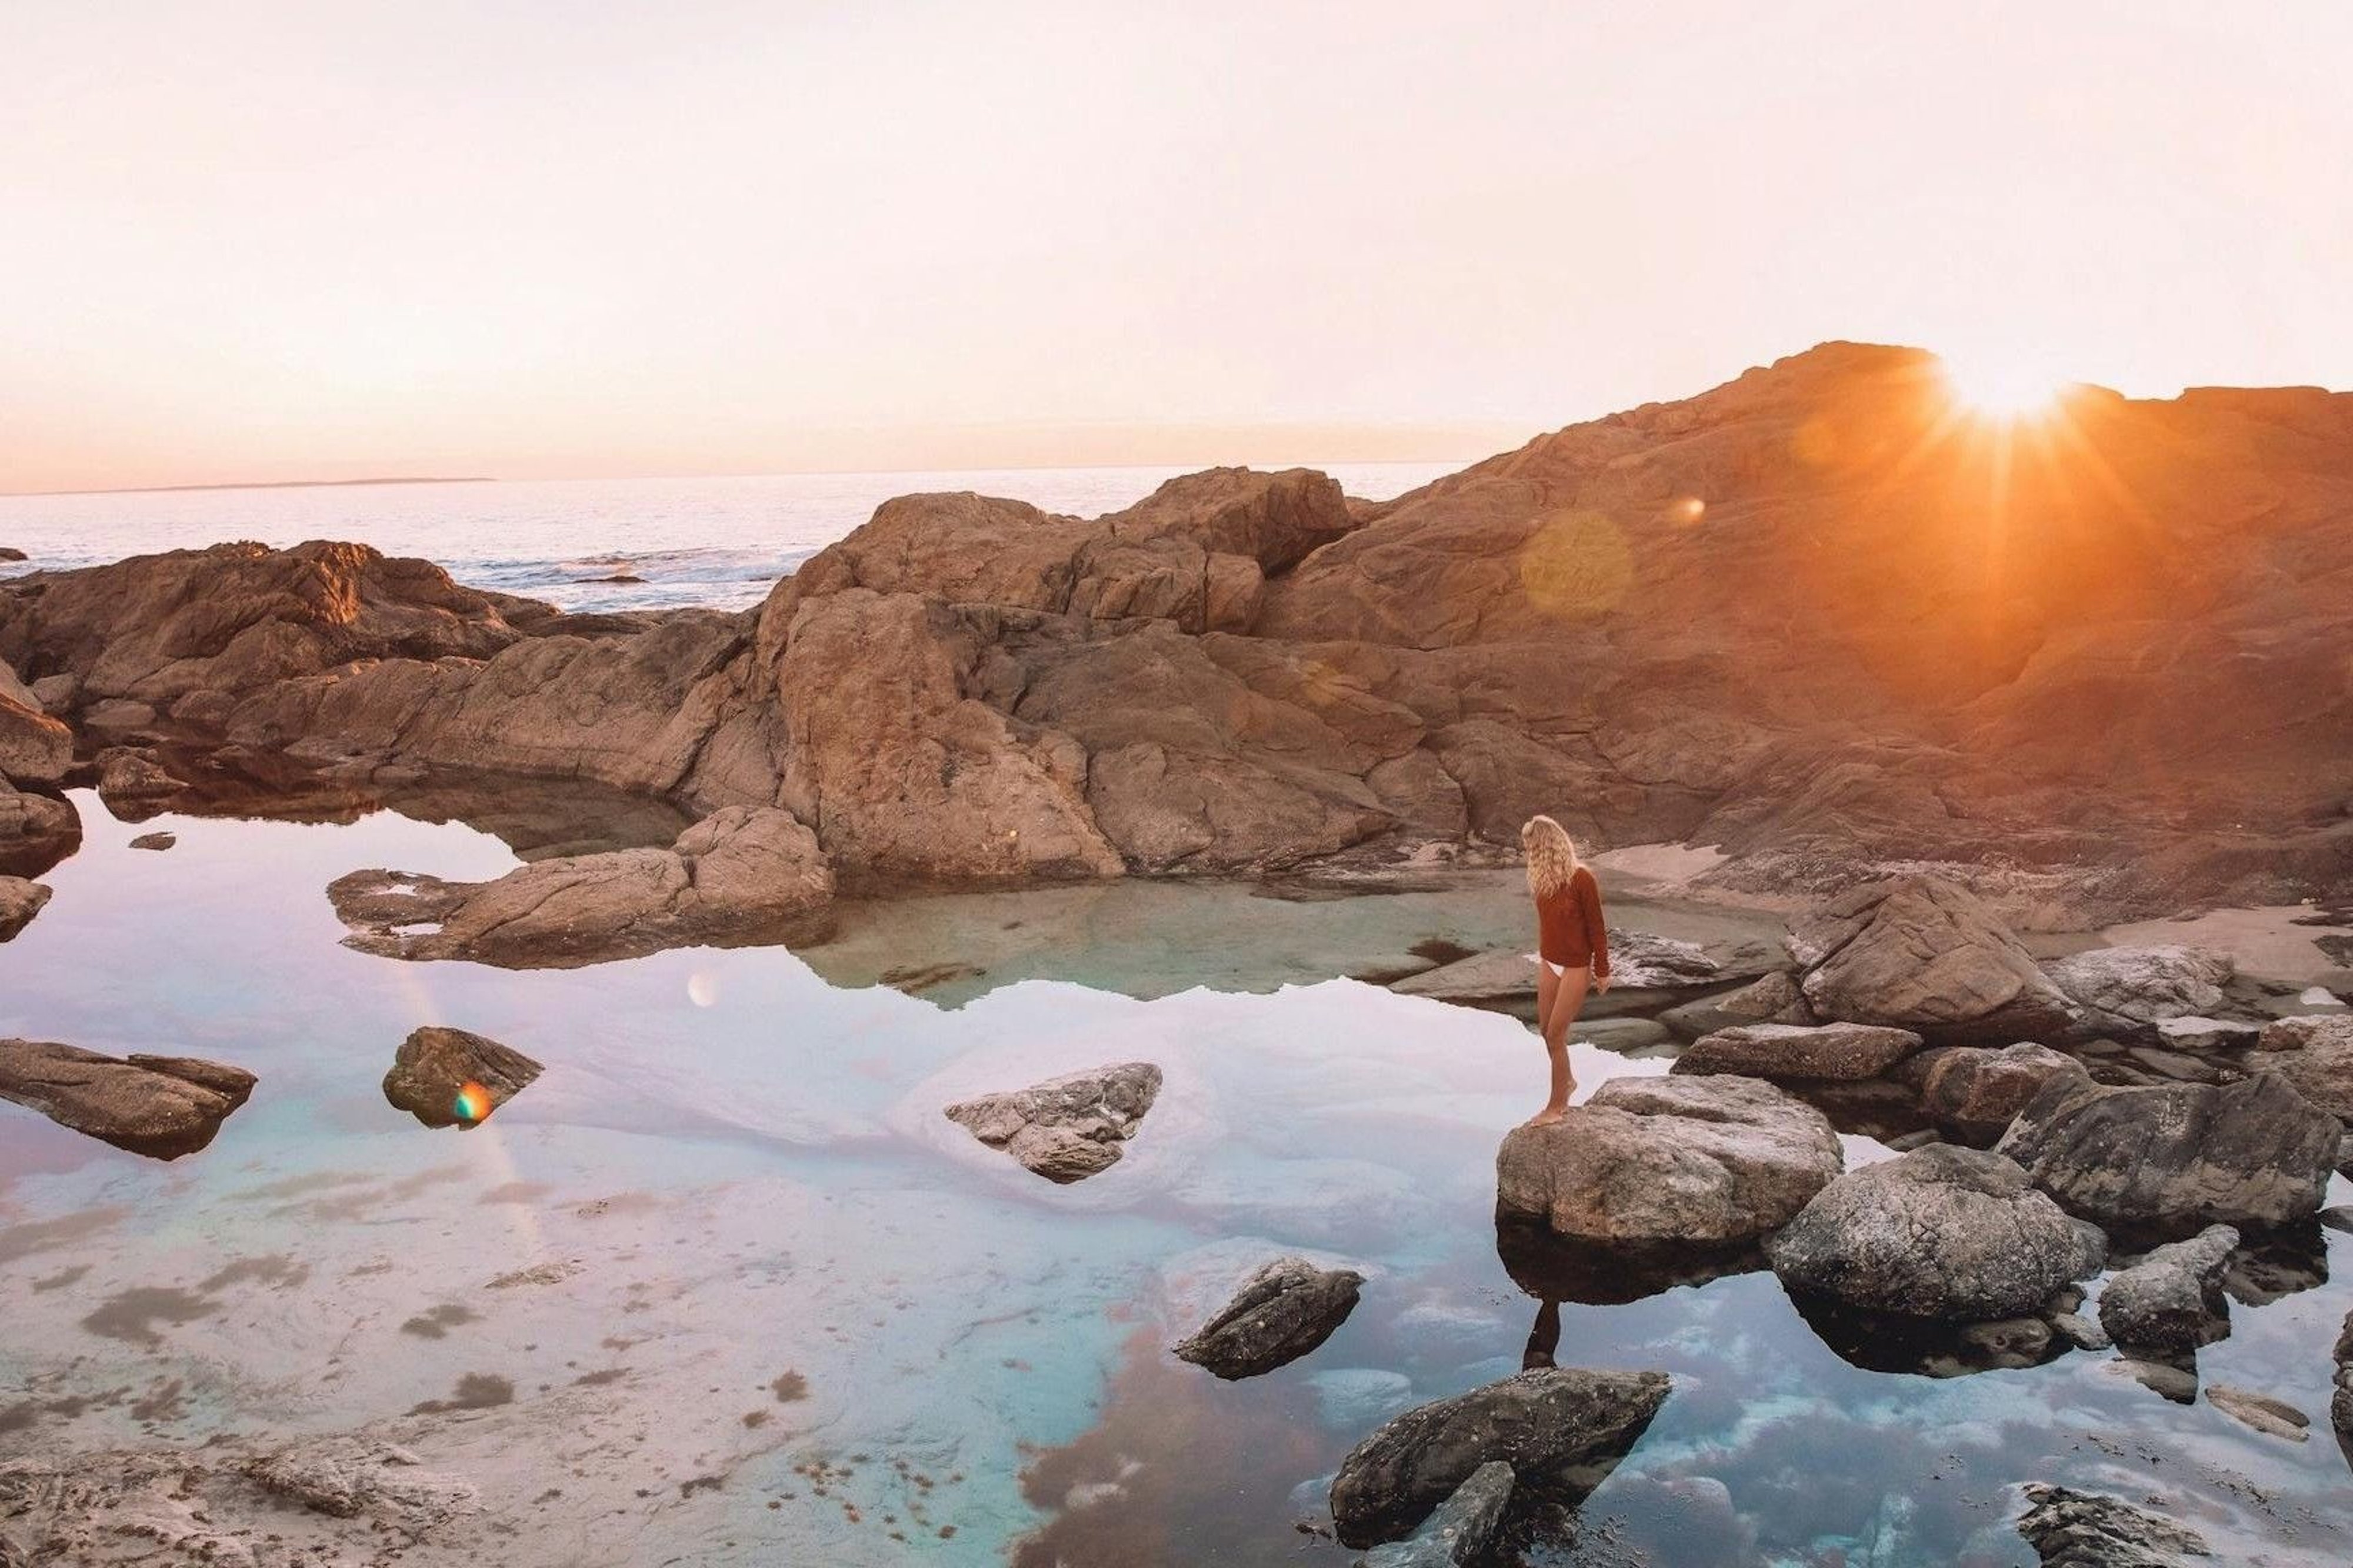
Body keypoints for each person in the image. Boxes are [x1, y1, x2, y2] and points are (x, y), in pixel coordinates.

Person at [1521, 814, 1610, 1126]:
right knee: (1546, 1033)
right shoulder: (1542, 880)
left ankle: (1557, 1105)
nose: (1528, 851)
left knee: (1557, 1035)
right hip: (1549, 962)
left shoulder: (1582, 878)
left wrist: (1602, 969)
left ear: (1547, 845)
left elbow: (1597, 927)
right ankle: (1568, 1080)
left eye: (1532, 845)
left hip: (1576, 966)